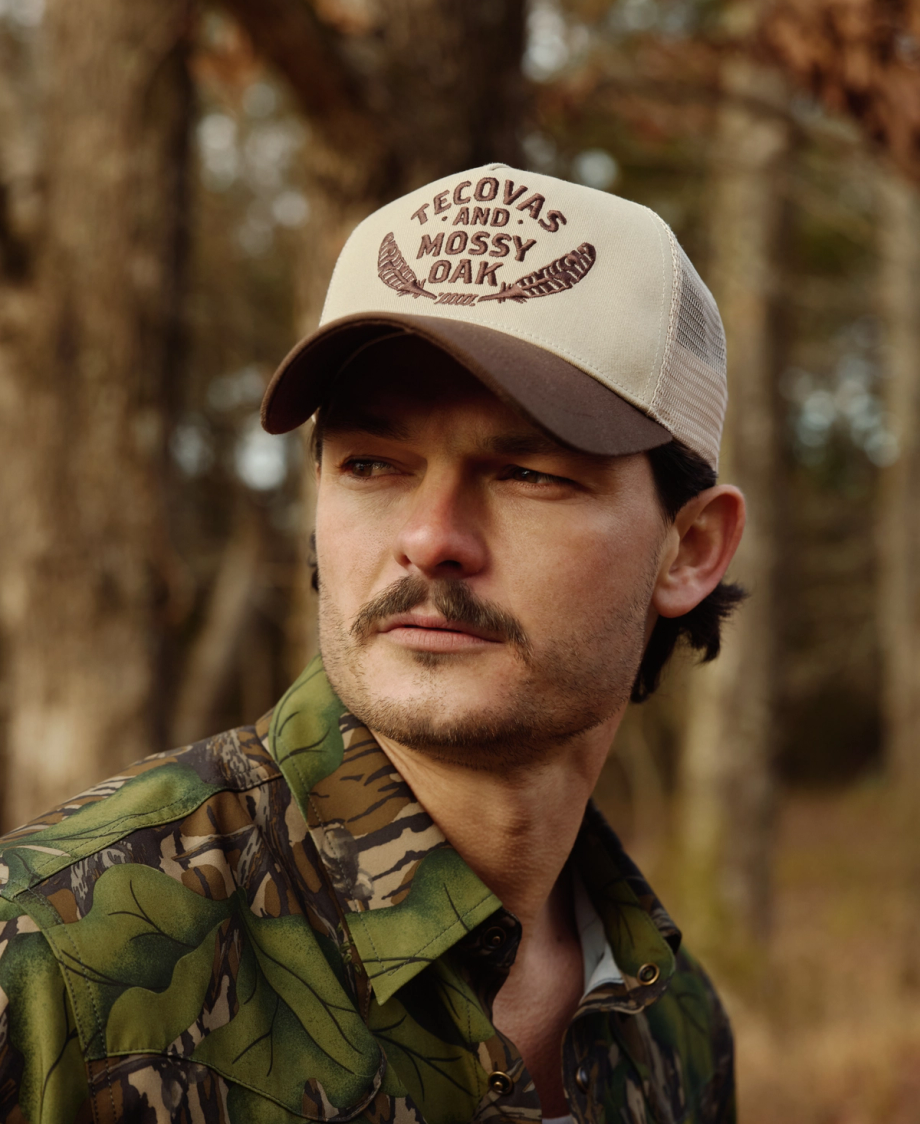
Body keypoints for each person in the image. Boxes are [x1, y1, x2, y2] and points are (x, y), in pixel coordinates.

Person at [0, 164, 745, 1124]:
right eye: (370, 464)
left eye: (526, 470)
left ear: (689, 552)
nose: (431, 535)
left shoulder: (672, 1022)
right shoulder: (49, 969)